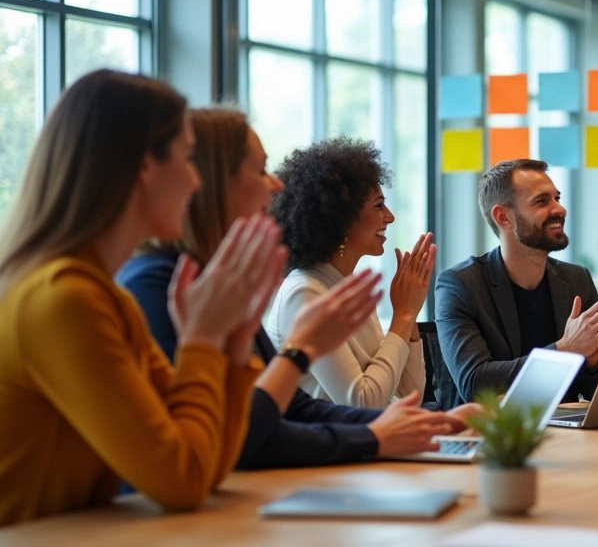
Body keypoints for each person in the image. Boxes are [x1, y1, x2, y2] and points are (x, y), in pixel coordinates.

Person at [0, 70, 346, 526]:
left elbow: (210, 459)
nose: (197, 181)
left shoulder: (105, 297)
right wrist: (202, 341)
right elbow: (183, 478)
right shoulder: (63, 298)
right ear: (144, 167)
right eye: (187, 158)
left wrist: (234, 345)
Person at [118, 108, 470, 469]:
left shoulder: (213, 280)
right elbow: (237, 439)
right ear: (211, 184)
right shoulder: (159, 283)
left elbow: (286, 410)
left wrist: (421, 425)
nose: (276, 186)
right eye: (260, 170)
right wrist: (373, 433)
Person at [436, 159, 598, 404]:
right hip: (493, 427)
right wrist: (565, 349)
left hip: (565, 425)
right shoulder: (460, 285)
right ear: (503, 217)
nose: (559, 209)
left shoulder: (576, 279)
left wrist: (593, 360)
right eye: (542, 201)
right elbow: (474, 383)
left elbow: (594, 393)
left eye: (557, 198)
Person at [264, 137, 432, 408]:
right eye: (378, 205)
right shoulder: (304, 292)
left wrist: (408, 314)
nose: (389, 216)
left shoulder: (345, 286)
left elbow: (409, 395)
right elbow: (363, 402)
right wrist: (402, 314)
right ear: (340, 219)